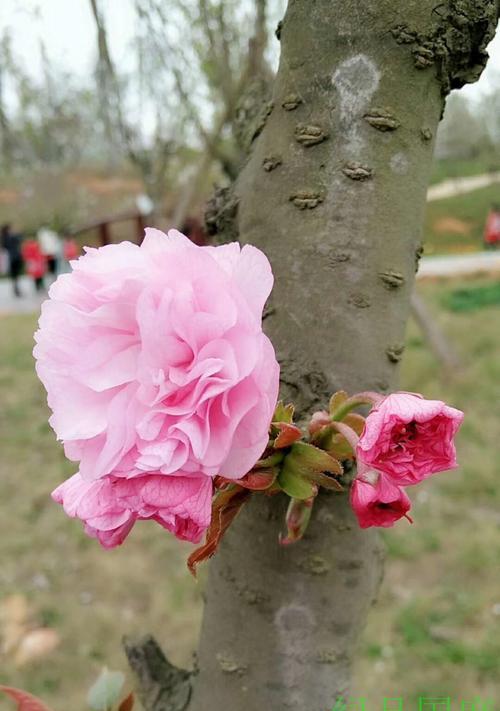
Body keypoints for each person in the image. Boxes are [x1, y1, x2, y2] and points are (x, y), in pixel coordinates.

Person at [1, 223, 24, 298]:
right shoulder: (12, 236)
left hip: (10, 258)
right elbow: (19, 240)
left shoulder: (4, 237)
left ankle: (15, 289)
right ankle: (16, 289)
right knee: (16, 275)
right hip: (15, 258)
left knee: (14, 275)